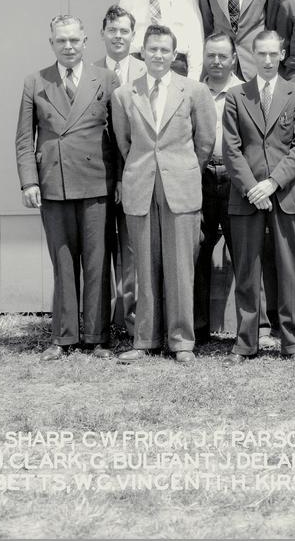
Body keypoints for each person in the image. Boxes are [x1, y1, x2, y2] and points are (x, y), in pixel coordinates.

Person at [15, 15, 119, 360]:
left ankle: (96, 337)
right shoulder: (36, 82)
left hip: (95, 183)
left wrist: (118, 180)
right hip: (54, 185)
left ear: (86, 41)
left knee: (96, 261)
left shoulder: (106, 79)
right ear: (52, 44)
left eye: (74, 40)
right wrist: (29, 181)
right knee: (62, 261)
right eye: (61, 41)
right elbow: (23, 137)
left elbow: (119, 136)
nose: (69, 47)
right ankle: (63, 337)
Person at [111, 25, 216, 364]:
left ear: (174, 55)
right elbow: (124, 143)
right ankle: (145, 339)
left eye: (164, 50)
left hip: (180, 186)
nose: (158, 55)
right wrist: (143, 170)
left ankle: (182, 340)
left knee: (181, 266)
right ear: (142, 52)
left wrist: (184, 170)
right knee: (144, 264)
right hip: (141, 184)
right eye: (152, 49)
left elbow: (205, 142)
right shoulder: (126, 95)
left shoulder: (194, 91)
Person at [222, 31, 295, 361]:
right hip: (247, 196)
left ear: (282, 54)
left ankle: (294, 343)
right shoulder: (236, 96)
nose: (267, 59)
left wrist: (272, 183)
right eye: (261, 53)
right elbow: (231, 150)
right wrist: (252, 188)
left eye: (274, 54)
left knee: (290, 271)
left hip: (285, 194)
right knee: (247, 271)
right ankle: (245, 343)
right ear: (252, 55)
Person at [94, 5, 146, 340]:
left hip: (137, 174)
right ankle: (102, 322)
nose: (118, 36)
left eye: (124, 30)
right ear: (103, 34)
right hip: (98, 173)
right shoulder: (91, 71)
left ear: (133, 35)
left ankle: (132, 320)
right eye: (112, 30)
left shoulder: (147, 70)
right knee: (100, 249)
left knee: (132, 251)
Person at [194, 31, 244, 344]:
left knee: (243, 252)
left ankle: (250, 329)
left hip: (235, 177)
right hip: (200, 176)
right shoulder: (193, 91)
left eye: (222, 56)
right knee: (198, 251)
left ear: (233, 59)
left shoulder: (245, 91)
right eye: (210, 55)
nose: (216, 62)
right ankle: (198, 327)